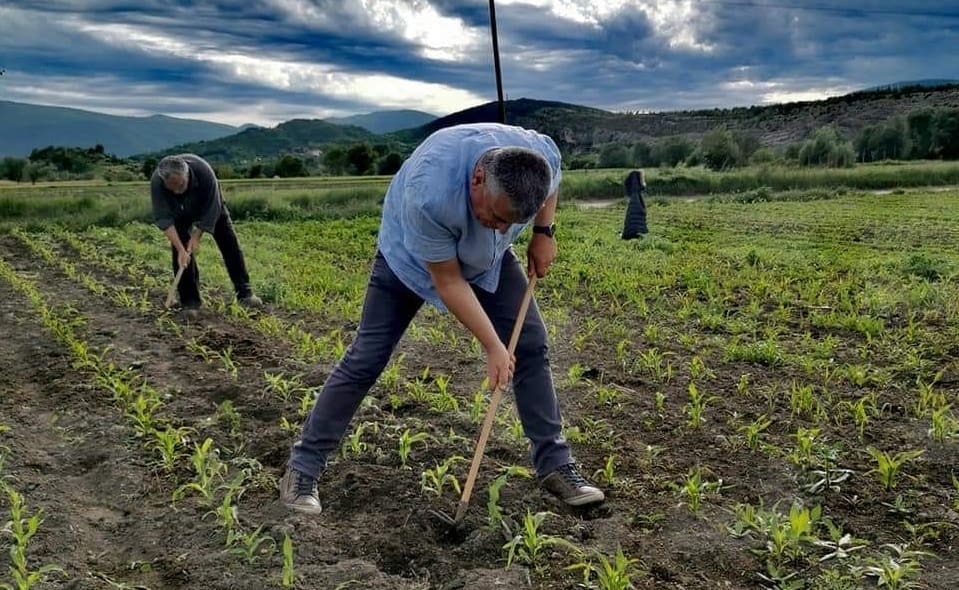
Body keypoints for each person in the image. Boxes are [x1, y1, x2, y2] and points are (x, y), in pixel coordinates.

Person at [280, 123, 605, 515]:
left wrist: (543, 232)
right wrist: (493, 347)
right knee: (367, 356)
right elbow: (449, 281)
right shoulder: (429, 193)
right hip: (408, 262)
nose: (502, 228)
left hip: (489, 259)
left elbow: (551, 182)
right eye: (497, 216)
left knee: (531, 344)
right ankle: (303, 468)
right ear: (477, 178)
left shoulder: (539, 155)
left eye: (510, 223)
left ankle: (555, 464)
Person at [150, 154, 262, 317]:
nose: (177, 191)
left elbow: (212, 210)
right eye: (171, 188)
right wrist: (181, 248)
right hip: (178, 213)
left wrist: (196, 236)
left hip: (210, 207)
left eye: (180, 185)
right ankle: (190, 303)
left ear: (186, 174)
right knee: (180, 255)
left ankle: (245, 293)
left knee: (229, 244)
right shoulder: (157, 182)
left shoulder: (204, 172)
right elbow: (164, 218)